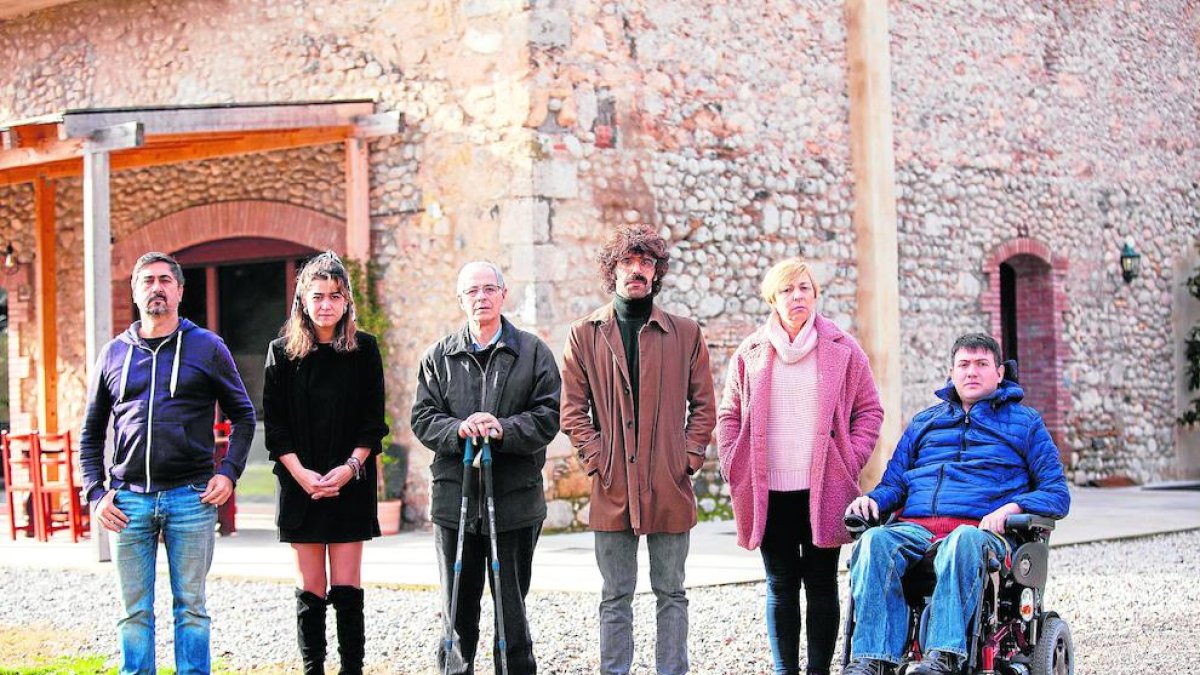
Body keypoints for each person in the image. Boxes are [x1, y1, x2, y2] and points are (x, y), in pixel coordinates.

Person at [842, 333, 1071, 675]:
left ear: (1000, 374)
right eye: (963, 365)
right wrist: (871, 501)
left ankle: (944, 658)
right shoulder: (924, 423)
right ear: (951, 372)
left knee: (962, 541)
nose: (971, 372)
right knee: (874, 541)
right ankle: (872, 660)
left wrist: (1014, 508)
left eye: (982, 364)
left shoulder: (1026, 424)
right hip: (916, 529)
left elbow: (1056, 492)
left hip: (981, 531)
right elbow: (895, 484)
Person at [79, 251, 256, 675]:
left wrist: (228, 472)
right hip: (127, 502)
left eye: (164, 280)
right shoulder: (113, 354)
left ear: (179, 290)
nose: (156, 288)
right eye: (147, 281)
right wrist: (96, 493)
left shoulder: (207, 347)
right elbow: (90, 433)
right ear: (135, 292)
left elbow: (244, 416)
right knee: (133, 611)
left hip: (191, 498)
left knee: (191, 609)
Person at [560, 224, 717, 675]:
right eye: (628, 262)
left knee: (672, 590)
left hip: (669, 482)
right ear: (612, 271)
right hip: (611, 484)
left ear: (656, 273)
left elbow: (704, 405)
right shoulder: (585, 333)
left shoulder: (685, 333)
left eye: (646, 262)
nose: (637, 270)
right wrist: (597, 458)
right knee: (615, 594)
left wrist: (686, 457)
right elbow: (572, 410)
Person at [716, 258, 883, 675]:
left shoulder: (843, 348)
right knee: (780, 585)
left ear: (815, 296)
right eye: (788, 290)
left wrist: (849, 460)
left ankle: (818, 672)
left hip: (823, 488)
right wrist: (731, 460)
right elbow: (728, 414)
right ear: (773, 298)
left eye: (805, 288)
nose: (798, 297)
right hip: (767, 490)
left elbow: (869, 412)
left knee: (822, 584)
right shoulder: (751, 351)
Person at [410, 261, 561, 675]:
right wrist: (460, 428)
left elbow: (548, 416)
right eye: (471, 291)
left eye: (488, 289)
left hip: (514, 502)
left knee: (511, 608)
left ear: (503, 294)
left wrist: (503, 428)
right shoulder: (438, 357)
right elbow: (423, 418)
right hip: (453, 502)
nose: (481, 297)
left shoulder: (533, 353)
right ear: (460, 299)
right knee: (456, 607)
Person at [263, 252, 389, 675]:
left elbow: (374, 422)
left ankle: (352, 668)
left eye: (335, 296)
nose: (325, 304)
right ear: (302, 300)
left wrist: (350, 468)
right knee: (310, 589)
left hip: (349, 482)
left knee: (348, 588)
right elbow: (275, 428)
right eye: (317, 296)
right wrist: (301, 475)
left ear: (347, 301)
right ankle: (312, 668)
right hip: (300, 485)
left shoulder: (364, 349)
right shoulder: (281, 354)